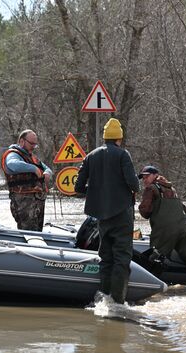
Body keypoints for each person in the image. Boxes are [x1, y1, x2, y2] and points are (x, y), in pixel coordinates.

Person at [74, 118, 139, 304]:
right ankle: (118, 302)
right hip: (122, 214)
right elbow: (133, 184)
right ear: (119, 137)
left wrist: (95, 193)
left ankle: (103, 298)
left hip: (101, 215)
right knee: (122, 258)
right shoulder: (123, 155)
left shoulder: (90, 156)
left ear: (104, 137)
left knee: (106, 257)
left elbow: (78, 188)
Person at [138, 165, 186, 286]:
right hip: (183, 228)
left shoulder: (151, 189)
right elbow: (185, 210)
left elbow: (145, 212)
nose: (144, 180)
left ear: (155, 175)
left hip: (165, 231)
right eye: (143, 178)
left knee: (155, 260)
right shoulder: (172, 189)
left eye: (147, 176)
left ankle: (145, 287)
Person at [1, 129, 52, 231]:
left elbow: (47, 168)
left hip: (38, 200)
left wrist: (47, 173)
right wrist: (33, 168)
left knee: (37, 232)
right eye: (31, 143)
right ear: (21, 141)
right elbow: (13, 164)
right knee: (28, 233)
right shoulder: (13, 154)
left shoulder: (32, 157)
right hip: (23, 201)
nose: (33, 146)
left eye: (35, 144)